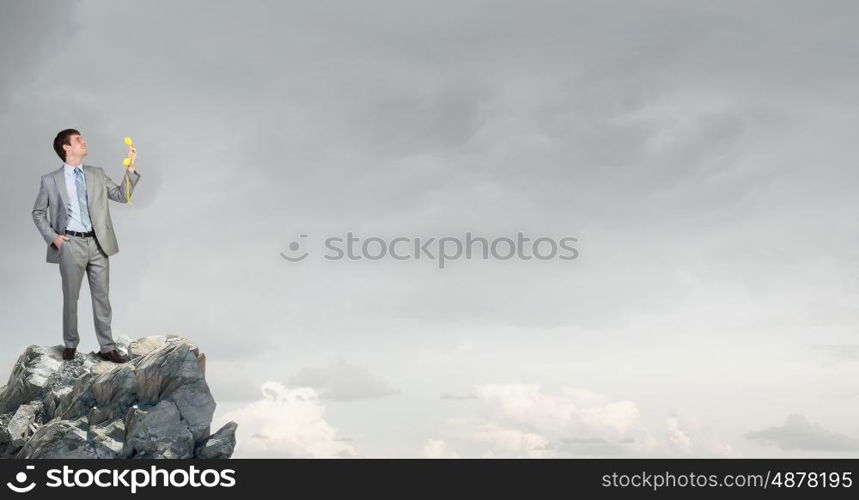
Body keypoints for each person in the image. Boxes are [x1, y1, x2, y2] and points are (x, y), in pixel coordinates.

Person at [31, 129, 141, 363]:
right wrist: (53, 237)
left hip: (98, 243)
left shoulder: (96, 174)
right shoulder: (50, 180)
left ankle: (107, 347)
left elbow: (123, 195)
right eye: (78, 139)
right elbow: (38, 213)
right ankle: (70, 344)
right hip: (70, 244)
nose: (84, 142)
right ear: (66, 147)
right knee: (71, 298)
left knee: (102, 298)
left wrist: (130, 168)